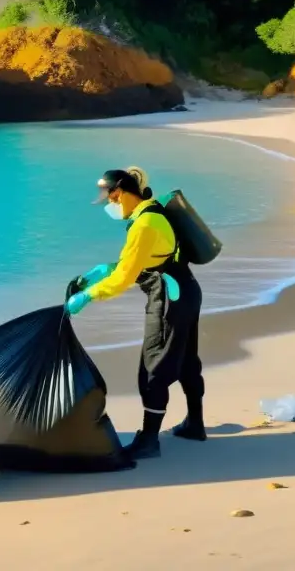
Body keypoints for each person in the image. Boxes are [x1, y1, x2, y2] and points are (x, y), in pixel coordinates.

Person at [65, 167, 205, 460]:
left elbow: (126, 278)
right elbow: (139, 262)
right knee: (187, 360)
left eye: (111, 197)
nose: (109, 203)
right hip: (186, 291)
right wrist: (103, 271)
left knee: (154, 368)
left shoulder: (144, 224)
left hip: (169, 298)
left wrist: (88, 296)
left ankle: (149, 440)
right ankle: (195, 424)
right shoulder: (150, 211)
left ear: (124, 192)